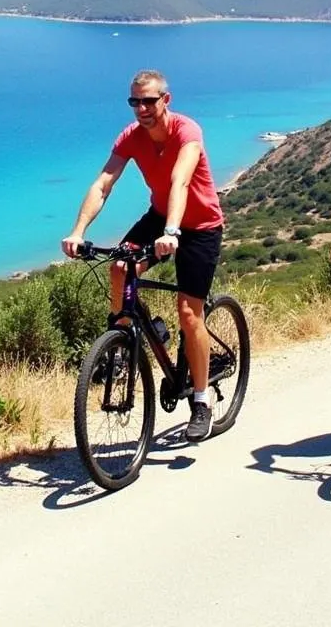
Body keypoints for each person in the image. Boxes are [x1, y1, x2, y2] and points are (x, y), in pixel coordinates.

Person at [62, 69, 224, 442]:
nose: (141, 109)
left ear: (166, 100)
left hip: (199, 226)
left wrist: (172, 233)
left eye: (149, 101)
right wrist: (77, 232)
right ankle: (121, 346)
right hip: (160, 216)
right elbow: (104, 183)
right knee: (120, 266)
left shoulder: (187, 131)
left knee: (189, 312)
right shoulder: (131, 137)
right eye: (134, 102)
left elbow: (180, 181)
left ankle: (202, 402)